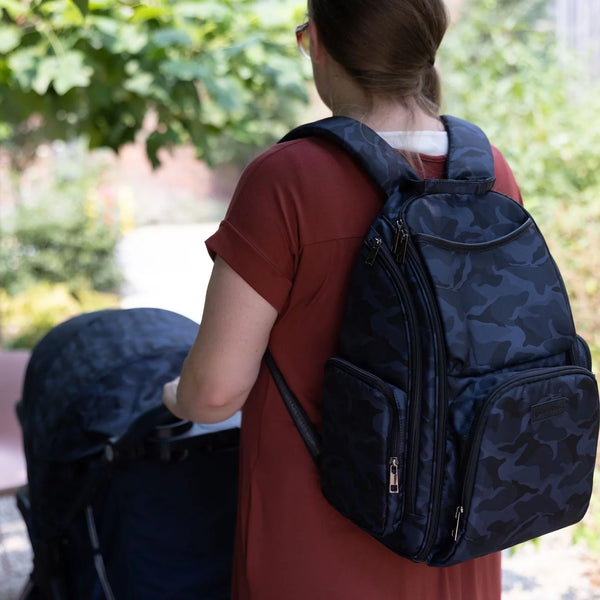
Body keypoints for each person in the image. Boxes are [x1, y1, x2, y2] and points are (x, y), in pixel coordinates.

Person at [163, 1, 523, 598]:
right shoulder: (487, 170)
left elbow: (215, 392)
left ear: (322, 45)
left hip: (314, 547)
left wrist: (172, 396)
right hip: (452, 538)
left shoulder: (288, 178)